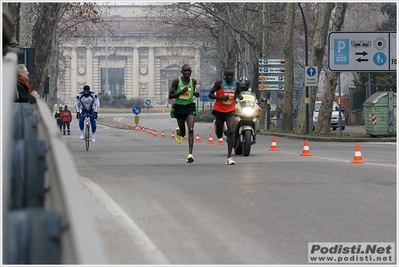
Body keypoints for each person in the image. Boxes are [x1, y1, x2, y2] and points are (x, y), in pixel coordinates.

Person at [208, 67, 243, 165]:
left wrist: (237, 97)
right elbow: (210, 94)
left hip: (230, 110)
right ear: (224, 75)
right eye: (228, 75)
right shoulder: (219, 83)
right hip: (219, 110)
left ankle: (229, 157)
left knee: (231, 130)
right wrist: (221, 97)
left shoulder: (237, 84)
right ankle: (217, 127)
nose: (230, 77)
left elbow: (238, 92)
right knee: (219, 135)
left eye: (231, 75)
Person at [168, 64, 199, 163]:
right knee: (183, 133)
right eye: (185, 71)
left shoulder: (193, 81)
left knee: (191, 129)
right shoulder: (177, 81)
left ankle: (190, 154)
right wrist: (180, 93)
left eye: (189, 71)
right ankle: (179, 132)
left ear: (191, 72)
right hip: (179, 108)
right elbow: (170, 95)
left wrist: (195, 94)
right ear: (182, 72)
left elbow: (192, 92)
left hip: (189, 107)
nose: (187, 72)